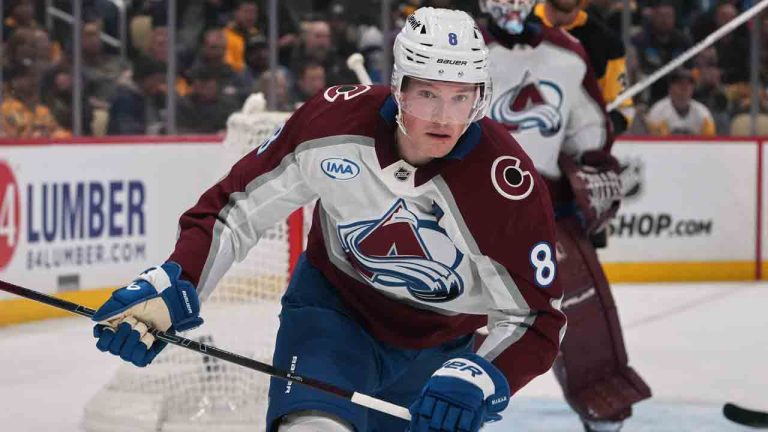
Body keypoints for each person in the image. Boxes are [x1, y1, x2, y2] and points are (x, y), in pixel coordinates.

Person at [89, 7, 566, 432]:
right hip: (334, 315)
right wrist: (177, 279)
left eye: (462, 98)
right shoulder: (333, 126)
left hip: (441, 347)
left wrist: (482, 373)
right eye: (427, 95)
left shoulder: (506, 185)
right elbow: (234, 209)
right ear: (398, 88)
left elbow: (536, 316)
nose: (444, 117)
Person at [479, 1, 651, 431]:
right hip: (469, 212)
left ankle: (602, 412)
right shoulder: (463, 52)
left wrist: (594, 167)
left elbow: (588, 131)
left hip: (549, 211)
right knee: (455, 322)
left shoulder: (569, 54)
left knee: (581, 318)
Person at [529, 0, 635, 135]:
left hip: (575, 149)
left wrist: (597, 132)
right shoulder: (517, 28)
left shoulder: (606, 42)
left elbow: (622, 111)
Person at [646, 68, 716, 137]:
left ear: (693, 88)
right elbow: (655, 143)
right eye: (680, 83)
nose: (685, 87)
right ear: (670, 87)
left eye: (689, 83)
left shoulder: (703, 113)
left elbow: (709, 143)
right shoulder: (658, 111)